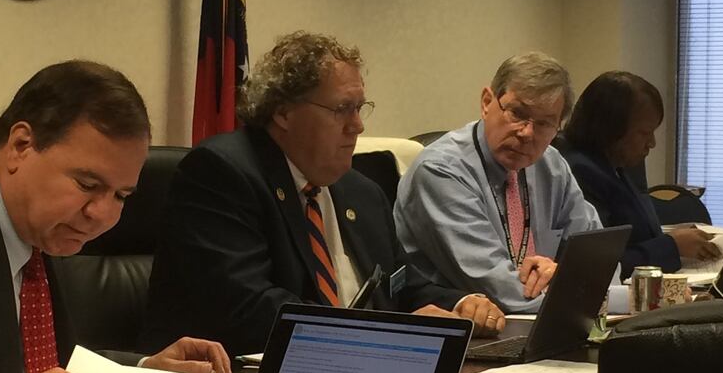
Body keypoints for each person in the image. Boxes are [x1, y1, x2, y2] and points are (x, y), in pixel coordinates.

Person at [140, 31, 506, 355]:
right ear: (283, 112)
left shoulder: (361, 191)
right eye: (342, 109)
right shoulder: (222, 173)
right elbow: (249, 308)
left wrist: (461, 304)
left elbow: (402, 285)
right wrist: (385, 334)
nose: (357, 125)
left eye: (359, 108)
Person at [0, 60, 232, 373]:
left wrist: (143, 368)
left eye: (121, 196)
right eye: (87, 185)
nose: (102, 215)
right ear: (21, 146)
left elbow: (45, 364)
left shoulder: (37, 228)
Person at [394, 52, 602, 314]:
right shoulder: (440, 171)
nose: (527, 133)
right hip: (468, 327)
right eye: (517, 113)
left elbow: (598, 258)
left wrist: (562, 276)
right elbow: (498, 288)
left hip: (541, 319)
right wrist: (575, 288)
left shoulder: (551, 165)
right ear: (486, 102)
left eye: (544, 123)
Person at [560, 71, 721, 279]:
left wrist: (676, 239)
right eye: (644, 133)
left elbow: (642, 235)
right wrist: (673, 245)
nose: (652, 143)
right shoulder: (577, 170)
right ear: (610, 130)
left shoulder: (624, 163)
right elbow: (601, 264)